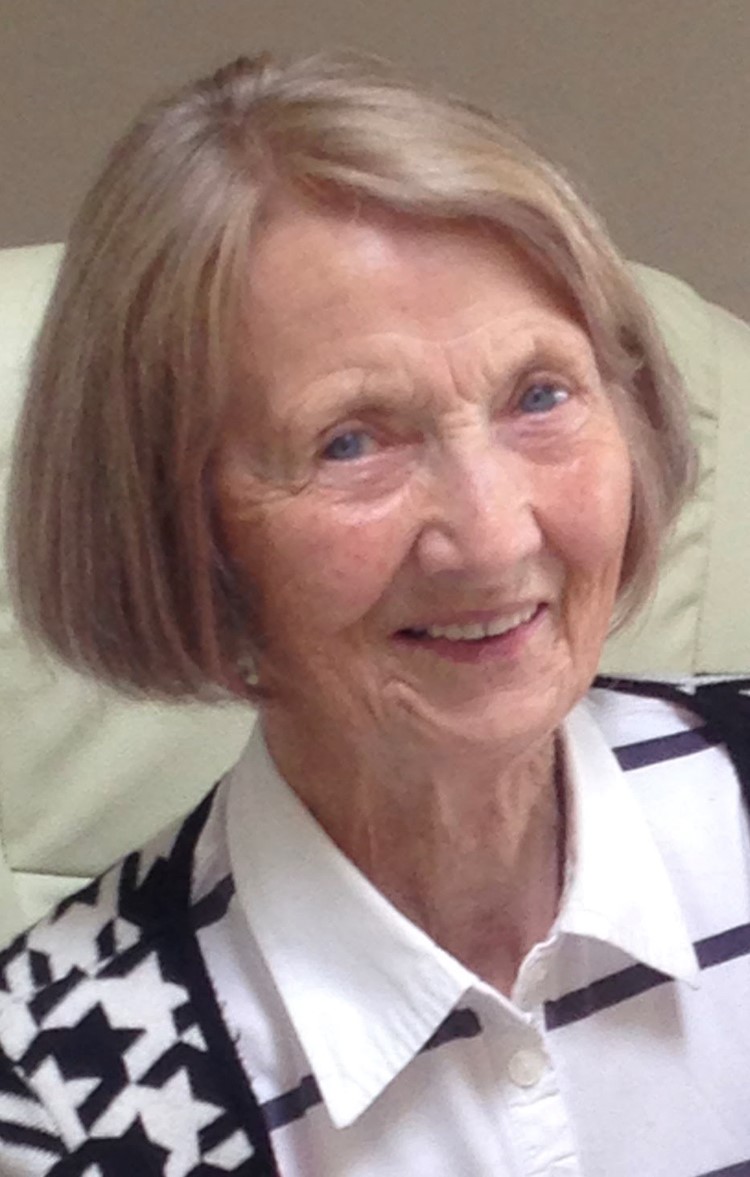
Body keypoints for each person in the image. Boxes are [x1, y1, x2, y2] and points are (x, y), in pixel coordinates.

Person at [1, 51, 749, 1177]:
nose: (493, 536)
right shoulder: (53, 1090)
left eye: (540, 394)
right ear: (177, 528)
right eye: (351, 441)